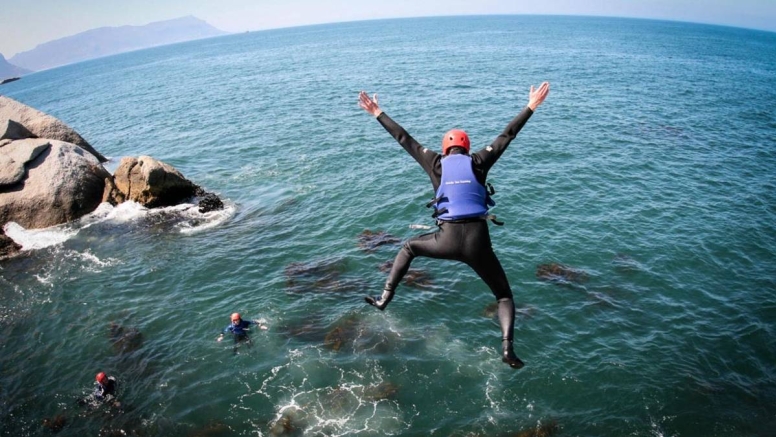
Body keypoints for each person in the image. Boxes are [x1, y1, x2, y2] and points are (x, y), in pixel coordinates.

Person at [357, 82, 550, 369]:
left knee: (409, 247)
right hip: (477, 243)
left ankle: (385, 298)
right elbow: (506, 135)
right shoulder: (479, 161)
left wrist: (377, 112)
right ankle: (508, 349)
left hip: (444, 241)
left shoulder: (435, 163)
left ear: (445, 150)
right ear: (467, 148)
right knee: (504, 295)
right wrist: (531, 105)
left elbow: (404, 139)